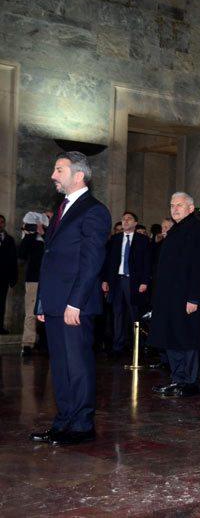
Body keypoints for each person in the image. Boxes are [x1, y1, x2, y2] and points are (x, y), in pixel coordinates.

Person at [31, 152, 111, 446]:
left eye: (58, 169)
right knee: (61, 366)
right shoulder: (63, 207)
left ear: (79, 175)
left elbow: (91, 262)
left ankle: (82, 425)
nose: (53, 175)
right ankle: (63, 421)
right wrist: (42, 302)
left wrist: (74, 303)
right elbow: (49, 258)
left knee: (77, 365)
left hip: (75, 305)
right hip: (54, 303)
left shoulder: (94, 211)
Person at [148, 192, 200, 398]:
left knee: (187, 341)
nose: (175, 209)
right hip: (169, 298)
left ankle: (189, 383)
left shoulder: (199, 231)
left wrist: (194, 298)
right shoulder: (176, 230)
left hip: (187, 297)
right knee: (173, 339)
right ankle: (177, 380)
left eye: (180, 205)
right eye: (172, 205)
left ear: (191, 208)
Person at [100, 211, 151, 357]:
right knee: (117, 313)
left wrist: (144, 281)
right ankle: (118, 346)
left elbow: (147, 262)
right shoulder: (115, 239)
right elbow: (108, 261)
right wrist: (105, 280)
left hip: (134, 281)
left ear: (135, 223)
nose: (125, 221)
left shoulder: (142, 240)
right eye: (123, 219)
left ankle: (137, 347)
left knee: (134, 313)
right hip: (117, 281)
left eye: (129, 219)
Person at [19, 212, 48, 355]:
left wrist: (43, 233)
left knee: (49, 313)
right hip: (33, 280)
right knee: (30, 313)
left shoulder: (50, 236)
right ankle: (28, 344)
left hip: (51, 280)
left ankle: (46, 343)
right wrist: (30, 233)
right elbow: (21, 254)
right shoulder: (29, 238)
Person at [0, 213, 17, 335]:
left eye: (1, 222)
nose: (0, 224)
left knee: (2, 302)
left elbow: (13, 259)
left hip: (3, 277)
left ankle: (0, 327)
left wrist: (13, 277)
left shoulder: (9, 239)